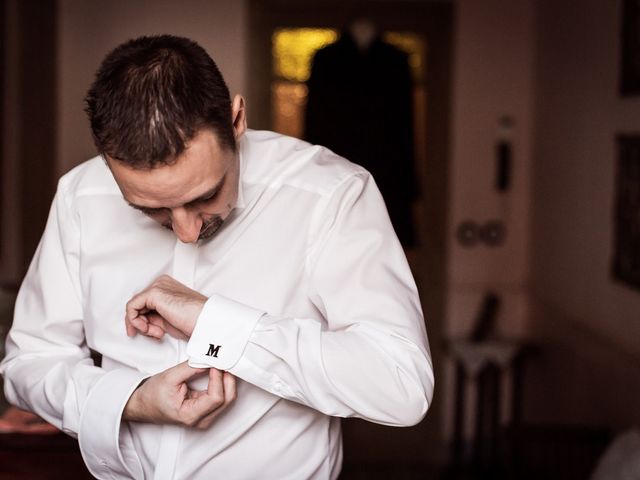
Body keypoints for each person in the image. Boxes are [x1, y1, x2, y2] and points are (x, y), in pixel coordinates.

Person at [0, 35, 433, 479]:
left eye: (205, 196)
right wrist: (132, 400)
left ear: (236, 120)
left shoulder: (330, 195)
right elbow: (28, 364)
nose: (186, 233)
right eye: (150, 210)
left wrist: (216, 322)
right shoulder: (82, 194)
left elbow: (400, 384)